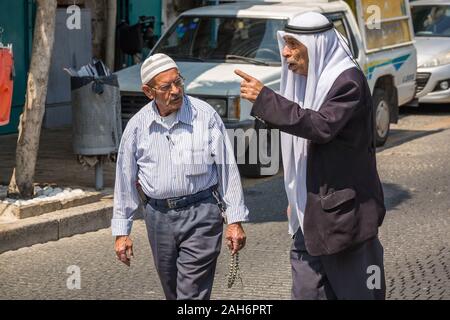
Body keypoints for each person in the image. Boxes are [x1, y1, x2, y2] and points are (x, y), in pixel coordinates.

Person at [235, 12, 386, 300]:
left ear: (315, 46)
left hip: (346, 223)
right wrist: (298, 198)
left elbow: (321, 125)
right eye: (285, 43)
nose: (285, 52)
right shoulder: (307, 80)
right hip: (309, 218)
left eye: (293, 44)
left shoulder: (347, 82)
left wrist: (265, 99)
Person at [112, 53, 249, 300]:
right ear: (148, 91)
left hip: (202, 214)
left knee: (191, 294)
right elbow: (124, 180)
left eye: (178, 82)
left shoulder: (204, 115)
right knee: (173, 292)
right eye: (166, 86)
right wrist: (122, 231)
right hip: (158, 217)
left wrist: (235, 220)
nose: (176, 91)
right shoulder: (137, 126)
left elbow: (227, 168)